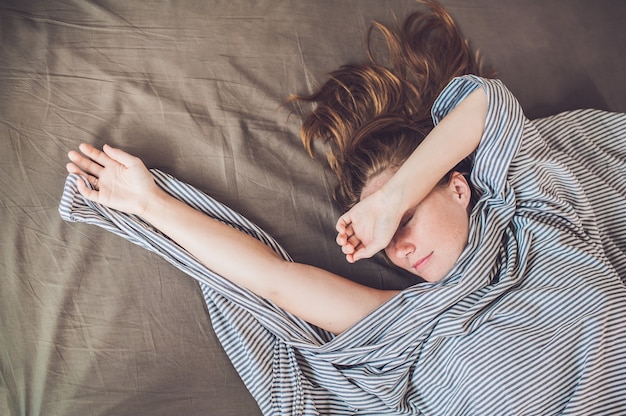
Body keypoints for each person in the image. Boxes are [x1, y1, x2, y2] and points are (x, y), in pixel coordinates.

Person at [64, 0, 626, 413]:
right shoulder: (410, 324)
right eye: (388, 239)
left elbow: (485, 103)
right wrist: (149, 203)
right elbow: (276, 282)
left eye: (403, 222)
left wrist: (390, 203)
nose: (399, 247)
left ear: (458, 187)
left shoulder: (533, 211)